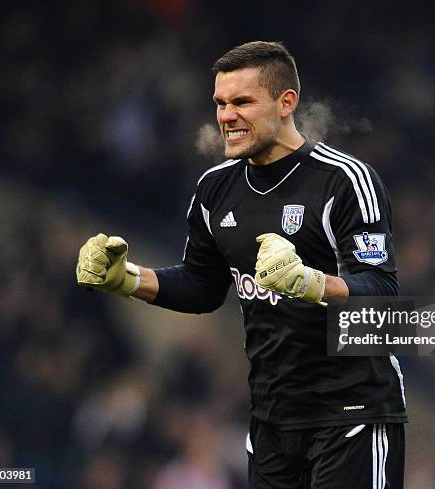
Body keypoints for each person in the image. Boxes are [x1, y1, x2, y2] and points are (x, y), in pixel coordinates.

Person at [76, 41, 406, 489]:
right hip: (271, 420)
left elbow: (383, 291)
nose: (227, 115)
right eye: (221, 103)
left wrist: (312, 284)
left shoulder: (344, 181)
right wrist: (129, 279)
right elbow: (203, 285)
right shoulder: (215, 189)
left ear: (286, 102)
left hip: (351, 414)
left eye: (243, 101)